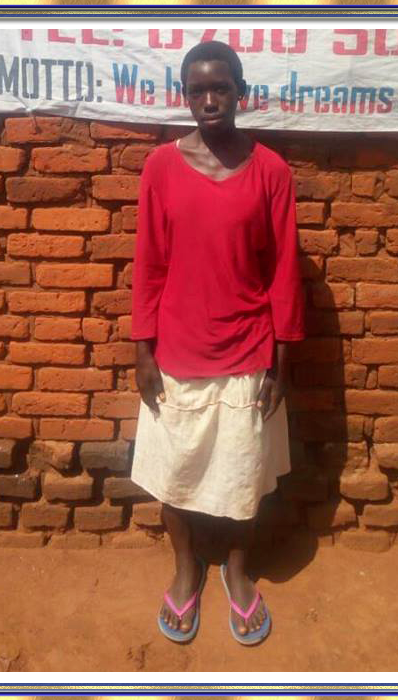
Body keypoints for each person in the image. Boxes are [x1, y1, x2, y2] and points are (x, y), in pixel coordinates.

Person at [130, 40, 305, 646]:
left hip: (248, 351)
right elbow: (149, 262)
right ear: (185, 97)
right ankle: (186, 568)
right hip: (177, 354)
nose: (209, 100)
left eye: (221, 88)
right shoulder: (160, 168)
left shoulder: (271, 171)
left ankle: (235, 569)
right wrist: (142, 350)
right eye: (197, 90)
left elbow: (284, 271)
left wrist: (282, 360)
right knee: (175, 472)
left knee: (243, 475)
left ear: (240, 93)